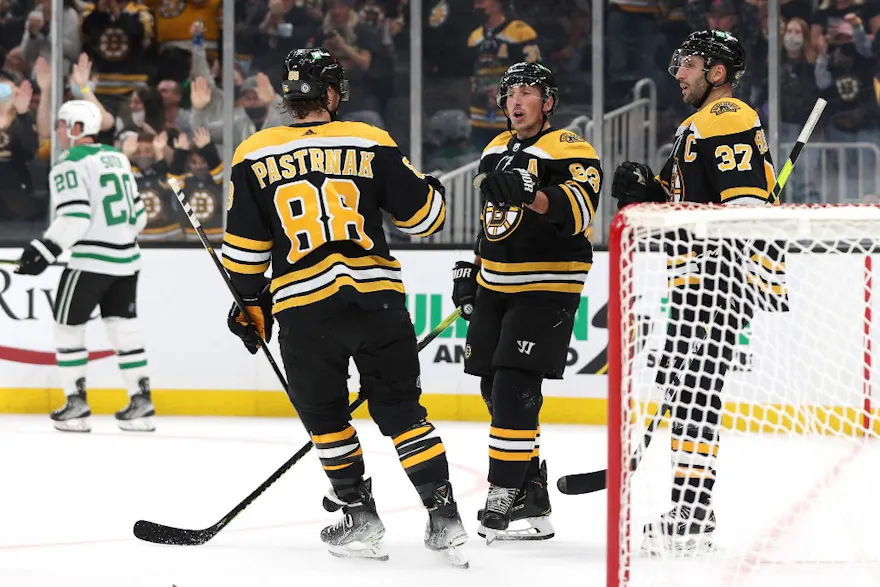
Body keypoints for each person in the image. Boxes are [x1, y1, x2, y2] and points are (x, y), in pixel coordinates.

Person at [222, 48, 468, 567]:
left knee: (326, 417)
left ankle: (359, 515)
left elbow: (244, 259)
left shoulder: (253, 153)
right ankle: (444, 517)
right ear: (331, 94)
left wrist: (249, 304)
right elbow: (425, 220)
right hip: (378, 301)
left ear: (290, 98)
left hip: (306, 313)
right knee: (402, 411)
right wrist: (435, 192)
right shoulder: (369, 139)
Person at [610, 29, 787, 555]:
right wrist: (651, 192)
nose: (679, 74)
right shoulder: (697, 125)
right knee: (692, 397)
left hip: (716, 279)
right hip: (696, 278)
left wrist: (725, 280)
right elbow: (689, 198)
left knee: (694, 396)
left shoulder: (727, 116)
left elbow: (742, 206)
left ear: (716, 71)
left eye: (688, 65)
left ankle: (692, 512)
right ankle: (691, 509)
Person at [451, 61, 602, 543]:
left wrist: (533, 195)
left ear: (549, 102)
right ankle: (531, 496)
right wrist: (471, 271)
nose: (516, 100)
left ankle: (502, 488)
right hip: (496, 283)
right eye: (510, 92)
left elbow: (579, 211)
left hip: (548, 283)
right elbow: (490, 221)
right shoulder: (493, 149)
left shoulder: (571, 147)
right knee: (493, 387)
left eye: (529, 92)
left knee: (516, 384)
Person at [15, 100, 154, 433]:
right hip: (127, 260)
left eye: (63, 125)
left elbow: (75, 217)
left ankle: (76, 406)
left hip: (90, 262)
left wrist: (44, 249)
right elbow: (141, 216)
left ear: (78, 129)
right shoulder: (119, 158)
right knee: (124, 329)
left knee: (67, 327)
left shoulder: (69, 162)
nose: (59, 131)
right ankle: (142, 403)